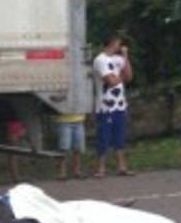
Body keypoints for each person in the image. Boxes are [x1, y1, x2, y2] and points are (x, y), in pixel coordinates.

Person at [92, 35, 133, 177]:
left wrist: (126, 56)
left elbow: (128, 76)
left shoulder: (118, 59)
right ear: (112, 43)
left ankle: (122, 167)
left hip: (120, 105)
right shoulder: (100, 60)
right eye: (118, 44)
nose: (120, 46)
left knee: (120, 137)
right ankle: (100, 169)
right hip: (105, 106)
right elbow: (111, 81)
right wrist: (119, 77)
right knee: (104, 137)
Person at [55, 111, 86, 179]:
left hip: (79, 120)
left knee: (78, 148)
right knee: (63, 148)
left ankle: (77, 171)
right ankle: (62, 173)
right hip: (63, 121)